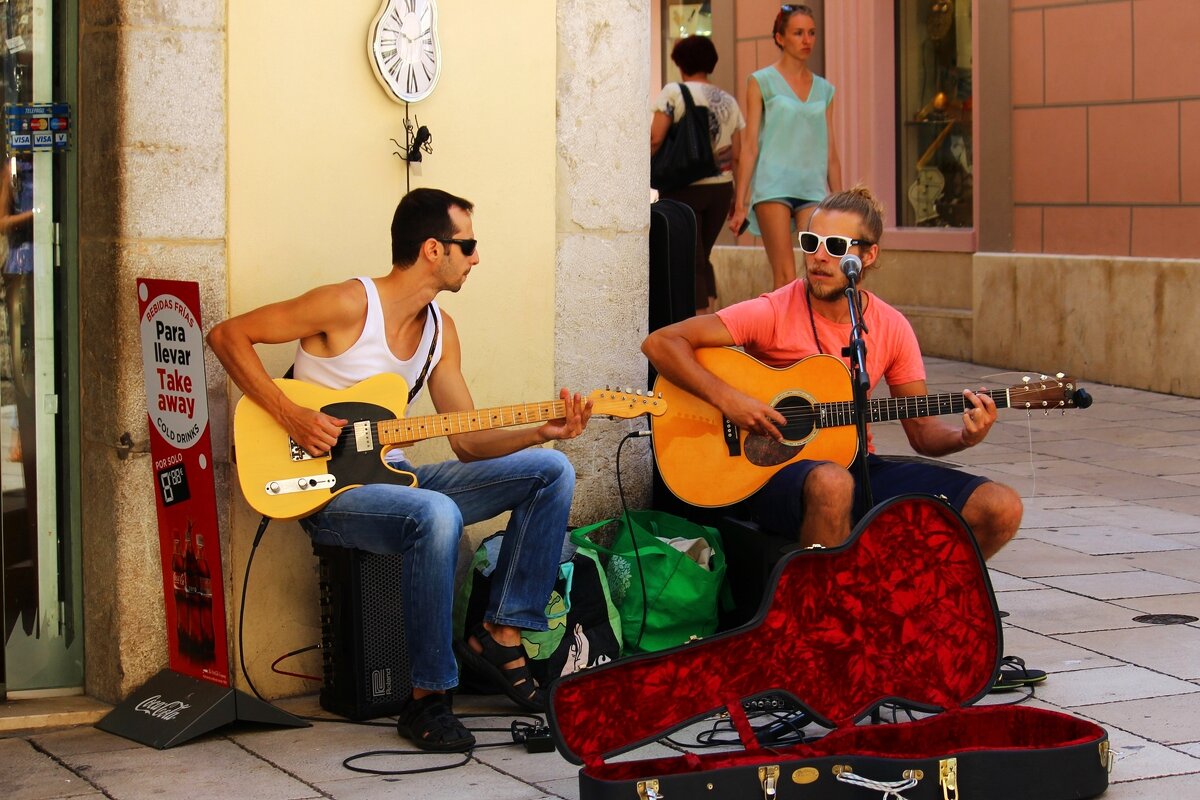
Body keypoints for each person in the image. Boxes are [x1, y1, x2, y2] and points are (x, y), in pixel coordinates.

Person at [207, 188, 593, 752]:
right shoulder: (346, 304)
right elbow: (227, 335)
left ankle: (503, 630)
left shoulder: (441, 332)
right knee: (436, 514)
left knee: (549, 471)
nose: (477, 257)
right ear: (433, 249)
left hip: (398, 480)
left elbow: (465, 440)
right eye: (469, 245)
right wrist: (291, 414)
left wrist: (542, 430)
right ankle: (427, 699)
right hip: (325, 494)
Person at [642, 186, 1022, 561]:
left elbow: (922, 434)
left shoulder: (891, 326)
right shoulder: (773, 310)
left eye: (836, 247)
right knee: (832, 482)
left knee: (1000, 506)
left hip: (856, 465)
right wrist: (731, 400)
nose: (819, 257)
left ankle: (914, 601)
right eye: (811, 242)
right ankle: (823, 612)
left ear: (868, 255)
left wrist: (964, 437)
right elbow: (661, 343)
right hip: (773, 476)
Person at [730, 4, 842, 292]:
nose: (807, 40)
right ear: (780, 38)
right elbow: (750, 146)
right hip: (773, 186)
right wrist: (740, 204)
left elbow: (830, 151)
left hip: (813, 188)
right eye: (798, 33)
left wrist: (842, 205)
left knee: (818, 273)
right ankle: (781, 338)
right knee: (785, 277)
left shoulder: (825, 89)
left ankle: (808, 337)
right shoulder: (760, 82)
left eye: (812, 33)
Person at [650, 35, 744, 314]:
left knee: (691, 258)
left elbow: (655, 139)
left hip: (685, 186)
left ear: (680, 63)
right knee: (702, 255)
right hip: (721, 188)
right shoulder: (728, 100)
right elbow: (737, 153)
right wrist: (736, 199)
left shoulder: (673, 92)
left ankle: (699, 324)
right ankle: (710, 316)